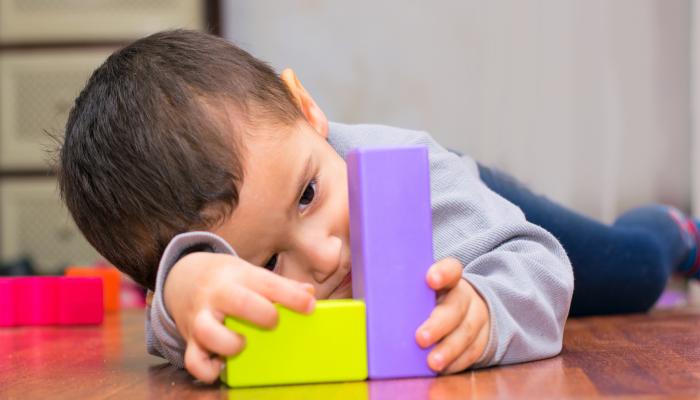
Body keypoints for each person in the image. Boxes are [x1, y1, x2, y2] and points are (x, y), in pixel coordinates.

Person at [56, 30, 697, 383]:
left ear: (306, 109)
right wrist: (187, 283)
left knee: (630, 269)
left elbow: (539, 267)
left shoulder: (424, 185)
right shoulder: (203, 281)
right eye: (268, 261)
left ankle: (673, 227)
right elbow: (171, 328)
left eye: (309, 194)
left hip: (479, 214)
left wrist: (486, 307)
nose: (325, 254)